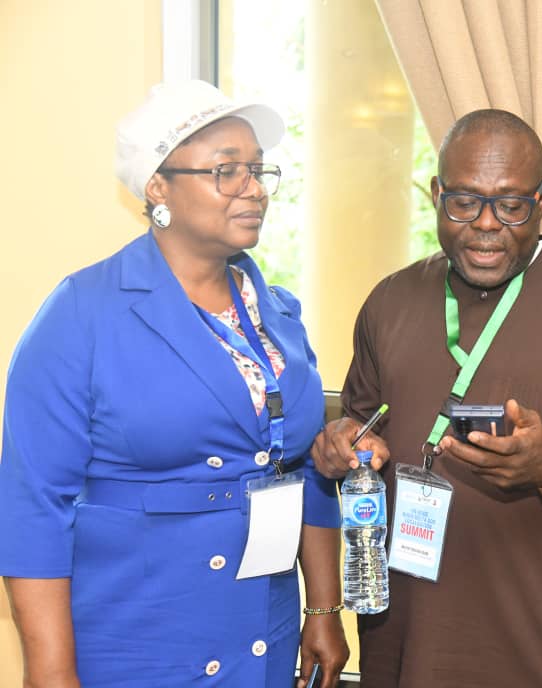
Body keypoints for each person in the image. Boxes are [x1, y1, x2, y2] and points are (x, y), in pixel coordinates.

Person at [0, 81, 349, 688]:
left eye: (258, 169)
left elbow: (304, 471)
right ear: (158, 187)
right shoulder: (82, 313)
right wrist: (51, 673)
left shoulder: (278, 315)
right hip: (137, 640)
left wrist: (322, 609)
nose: (254, 188)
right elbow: (33, 506)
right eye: (226, 171)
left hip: (260, 636)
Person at [312, 108, 542, 688]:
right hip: (405, 634)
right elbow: (362, 423)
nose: (485, 224)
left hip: (537, 638)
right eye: (464, 202)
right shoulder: (391, 301)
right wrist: (340, 445)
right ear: (437, 194)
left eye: (510, 205)